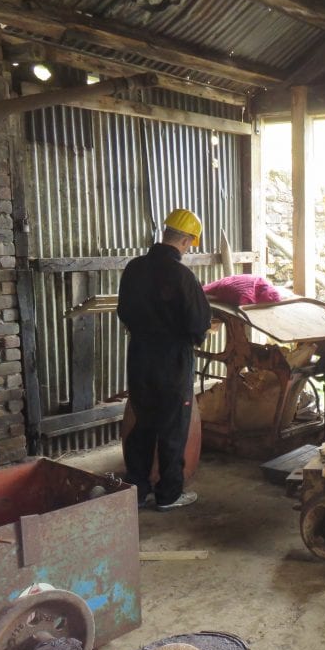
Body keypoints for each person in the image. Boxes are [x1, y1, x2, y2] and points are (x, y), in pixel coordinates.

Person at [117, 209, 211, 511]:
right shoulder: (182, 276)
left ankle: (138, 488)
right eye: (189, 244)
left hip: (140, 357)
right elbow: (198, 323)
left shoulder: (133, 269)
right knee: (172, 427)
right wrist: (195, 336)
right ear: (185, 240)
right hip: (172, 362)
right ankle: (169, 495)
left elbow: (124, 313)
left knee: (143, 423)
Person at [203, 274, 283, 306]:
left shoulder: (262, 281)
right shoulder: (245, 296)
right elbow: (242, 301)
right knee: (202, 292)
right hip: (227, 287)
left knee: (203, 290)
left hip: (226, 281)